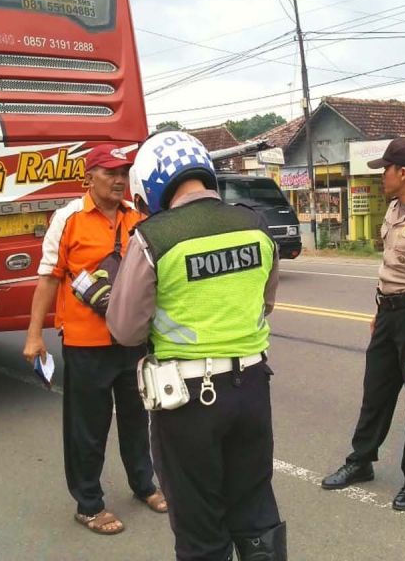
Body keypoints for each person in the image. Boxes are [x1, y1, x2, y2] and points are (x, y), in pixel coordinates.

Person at [107, 131, 285, 561]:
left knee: (200, 522)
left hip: (188, 401)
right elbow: (266, 301)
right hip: (252, 387)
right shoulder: (255, 225)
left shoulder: (153, 238)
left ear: (151, 183)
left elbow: (125, 329)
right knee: (255, 505)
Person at [23, 144, 165, 535]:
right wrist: (35, 335)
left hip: (133, 341)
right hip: (86, 344)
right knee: (88, 427)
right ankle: (88, 503)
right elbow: (49, 277)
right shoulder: (67, 219)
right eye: (110, 172)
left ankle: (144, 484)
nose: (119, 180)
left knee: (138, 419)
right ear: (89, 176)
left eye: (124, 173)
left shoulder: (138, 217)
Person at [320, 137, 405, 512]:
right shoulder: (395, 209)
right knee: (375, 393)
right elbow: (391, 272)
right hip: (389, 316)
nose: (382, 175)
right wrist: (379, 313)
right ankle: (360, 461)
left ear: (403, 172)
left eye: (386, 169)